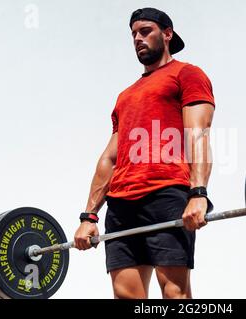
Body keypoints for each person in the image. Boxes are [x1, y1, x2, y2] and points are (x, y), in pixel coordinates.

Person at [74, 7, 216, 299]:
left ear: (167, 34)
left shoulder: (186, 74)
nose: (137, 38)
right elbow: (110, 157)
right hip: (122, 204)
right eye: (133, 34)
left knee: (174, 293)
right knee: (126, 296)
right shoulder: (125, 95)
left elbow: (198, 132)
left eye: (145, 31)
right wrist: (89, 216)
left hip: (165, 194)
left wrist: (198, 193)